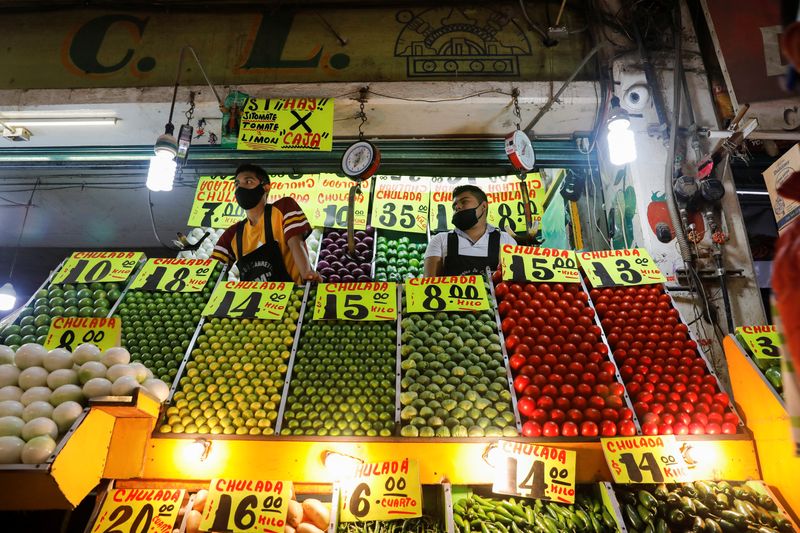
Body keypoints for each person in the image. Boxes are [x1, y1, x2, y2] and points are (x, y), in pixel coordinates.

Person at [211, 164, 322, 283]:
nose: (241, 188)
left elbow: (296, 243)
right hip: (251, 300)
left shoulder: (284, 208)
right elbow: (212, 269)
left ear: (266, 187)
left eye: (248, 181)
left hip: (290, 298)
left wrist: (307, 272)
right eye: (237, 184)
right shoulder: (232, 233)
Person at [423, 184, 516, 277]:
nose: (457, 207)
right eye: (454, 205)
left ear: (483, 206)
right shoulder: (440, 240)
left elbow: (514, 283)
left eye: (464, 202)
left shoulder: (505, 240)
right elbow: (429, 284)